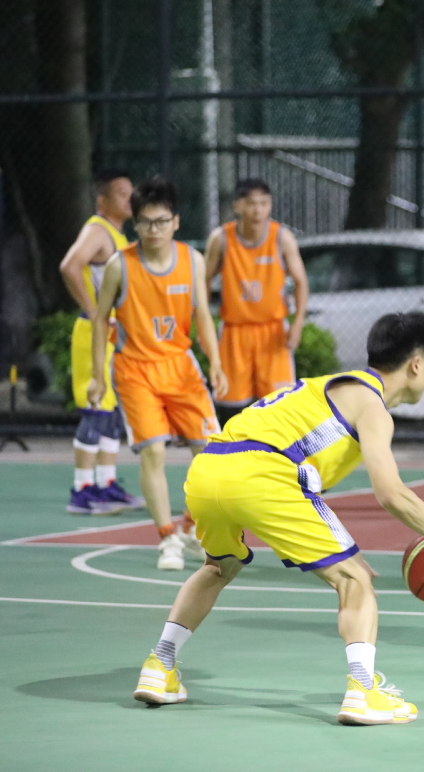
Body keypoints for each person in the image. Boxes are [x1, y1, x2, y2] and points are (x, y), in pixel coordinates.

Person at [132, 312, 424, 726]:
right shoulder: (372, 408)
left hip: (208, 469)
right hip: (264, 473)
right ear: (417, 364)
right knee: (355, 581)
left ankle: (160, 665)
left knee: (218, 567)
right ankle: (363, 692)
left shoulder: (326, 386)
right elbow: (391, 493)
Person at [89, 177, 227, 570]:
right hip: (135, 369)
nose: (154, 229)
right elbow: (100, 320)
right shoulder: (119, 265)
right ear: (135, 224)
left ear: (176, 222)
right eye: (146, 222)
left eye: (162, 221)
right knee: (153, 451)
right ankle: (168, 538)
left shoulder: (192, 261)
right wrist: (97, 376)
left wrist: (216, 361)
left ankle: (191, 525)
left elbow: (202, 314)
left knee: (211, 454)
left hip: (181, 367)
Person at [57, 170, 142, 515]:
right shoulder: (97, 230)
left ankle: (106, 484)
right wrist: (95, 313)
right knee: (96, 410)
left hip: (113, 335)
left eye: (131, 192)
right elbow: (69, 266)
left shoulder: (117, 235)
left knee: (112, 413)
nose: (129, 199)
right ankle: (81, 490)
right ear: (102, 200)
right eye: (121, 193)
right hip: (95, 334)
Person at [204, 179, 309, 421]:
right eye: (251, 203)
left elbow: (301, 282)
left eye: (264, 203)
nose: (258, 210)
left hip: (272, 332)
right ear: (237, 206)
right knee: (231, 409)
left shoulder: (281, 237)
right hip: (234, 331)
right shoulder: (221, 238)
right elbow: (202, 280)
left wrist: (297, 323)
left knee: (279, 408)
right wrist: (204, 323)